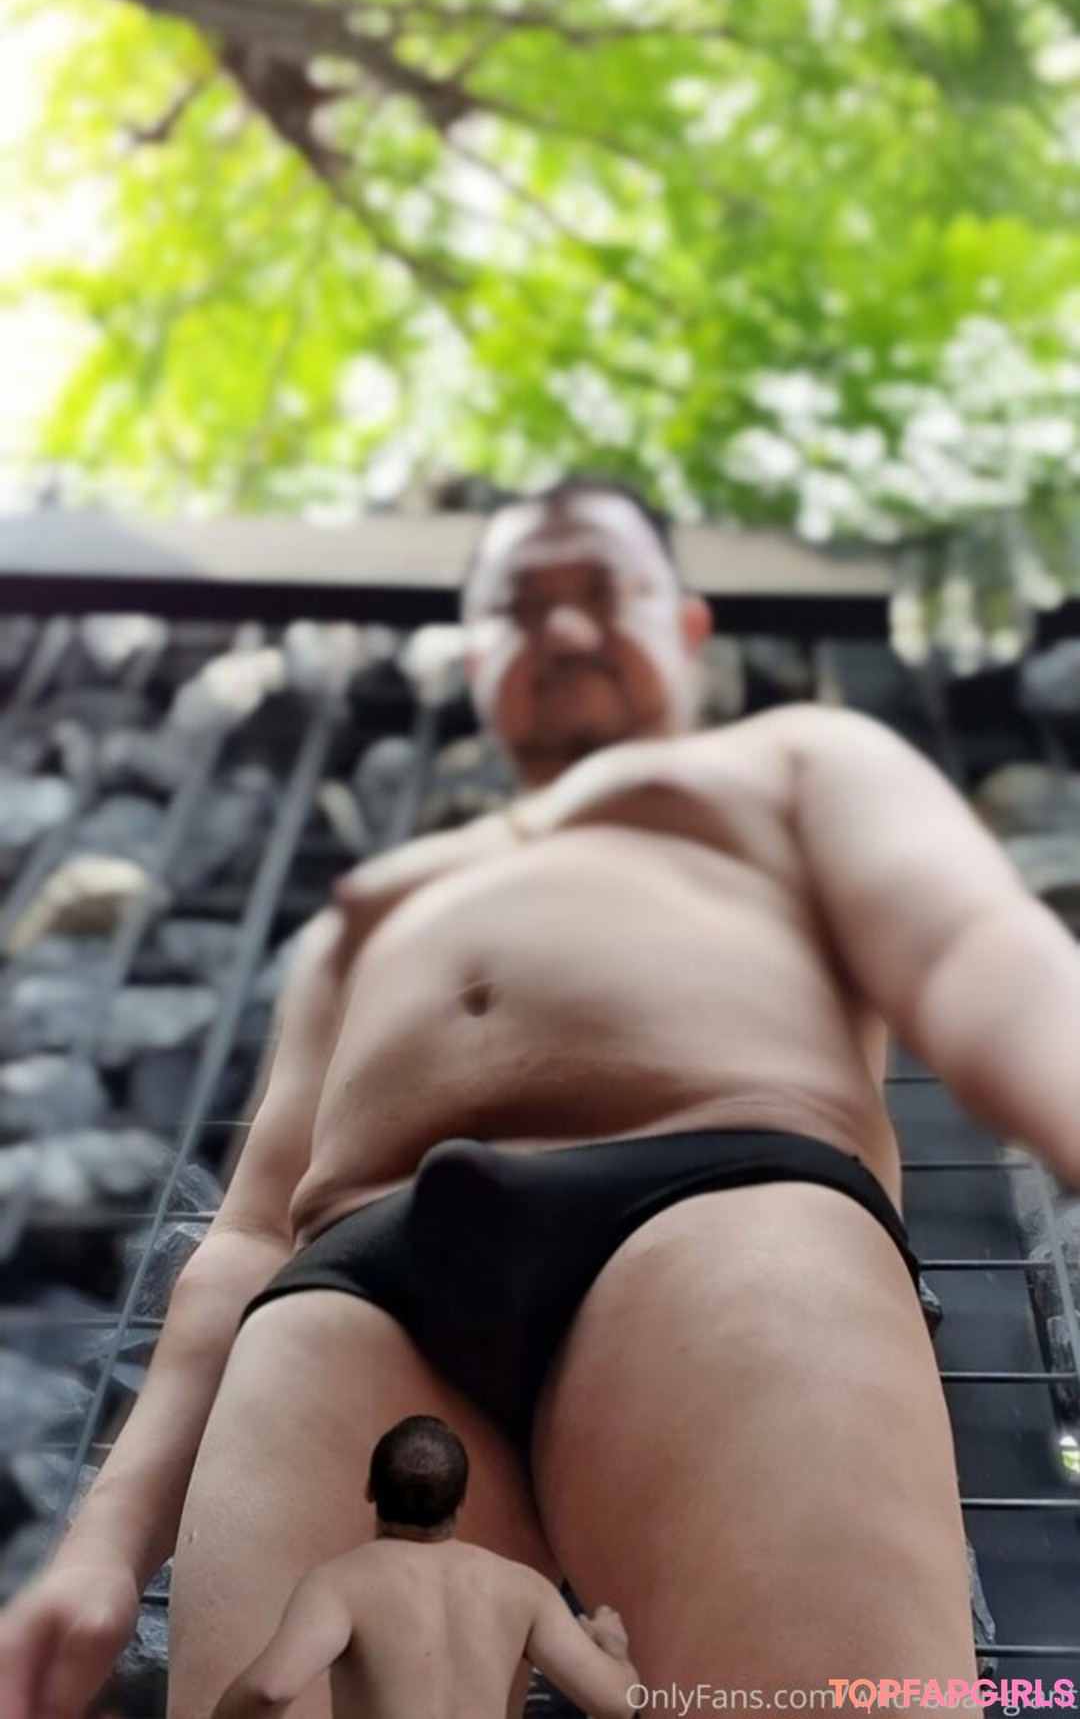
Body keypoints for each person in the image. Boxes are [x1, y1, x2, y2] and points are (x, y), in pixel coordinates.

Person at [4, 477, 1080, 1719]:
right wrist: (103, 1544)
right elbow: (247, 1231)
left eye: (602, 592)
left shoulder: (797, 760)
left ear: (685, 625)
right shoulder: (371, 906)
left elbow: (973, 954)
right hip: (352, 1287)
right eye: (521, 606)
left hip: (722, 1216)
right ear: (479, 654)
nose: (563, 628)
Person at [211, 1414, 639, 1719]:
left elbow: (271, 1689)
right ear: (462, 1501)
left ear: (370, 1490)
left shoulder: (339, 1586)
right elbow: (618, 1703)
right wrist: (615, 1651)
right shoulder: (525, 1589)